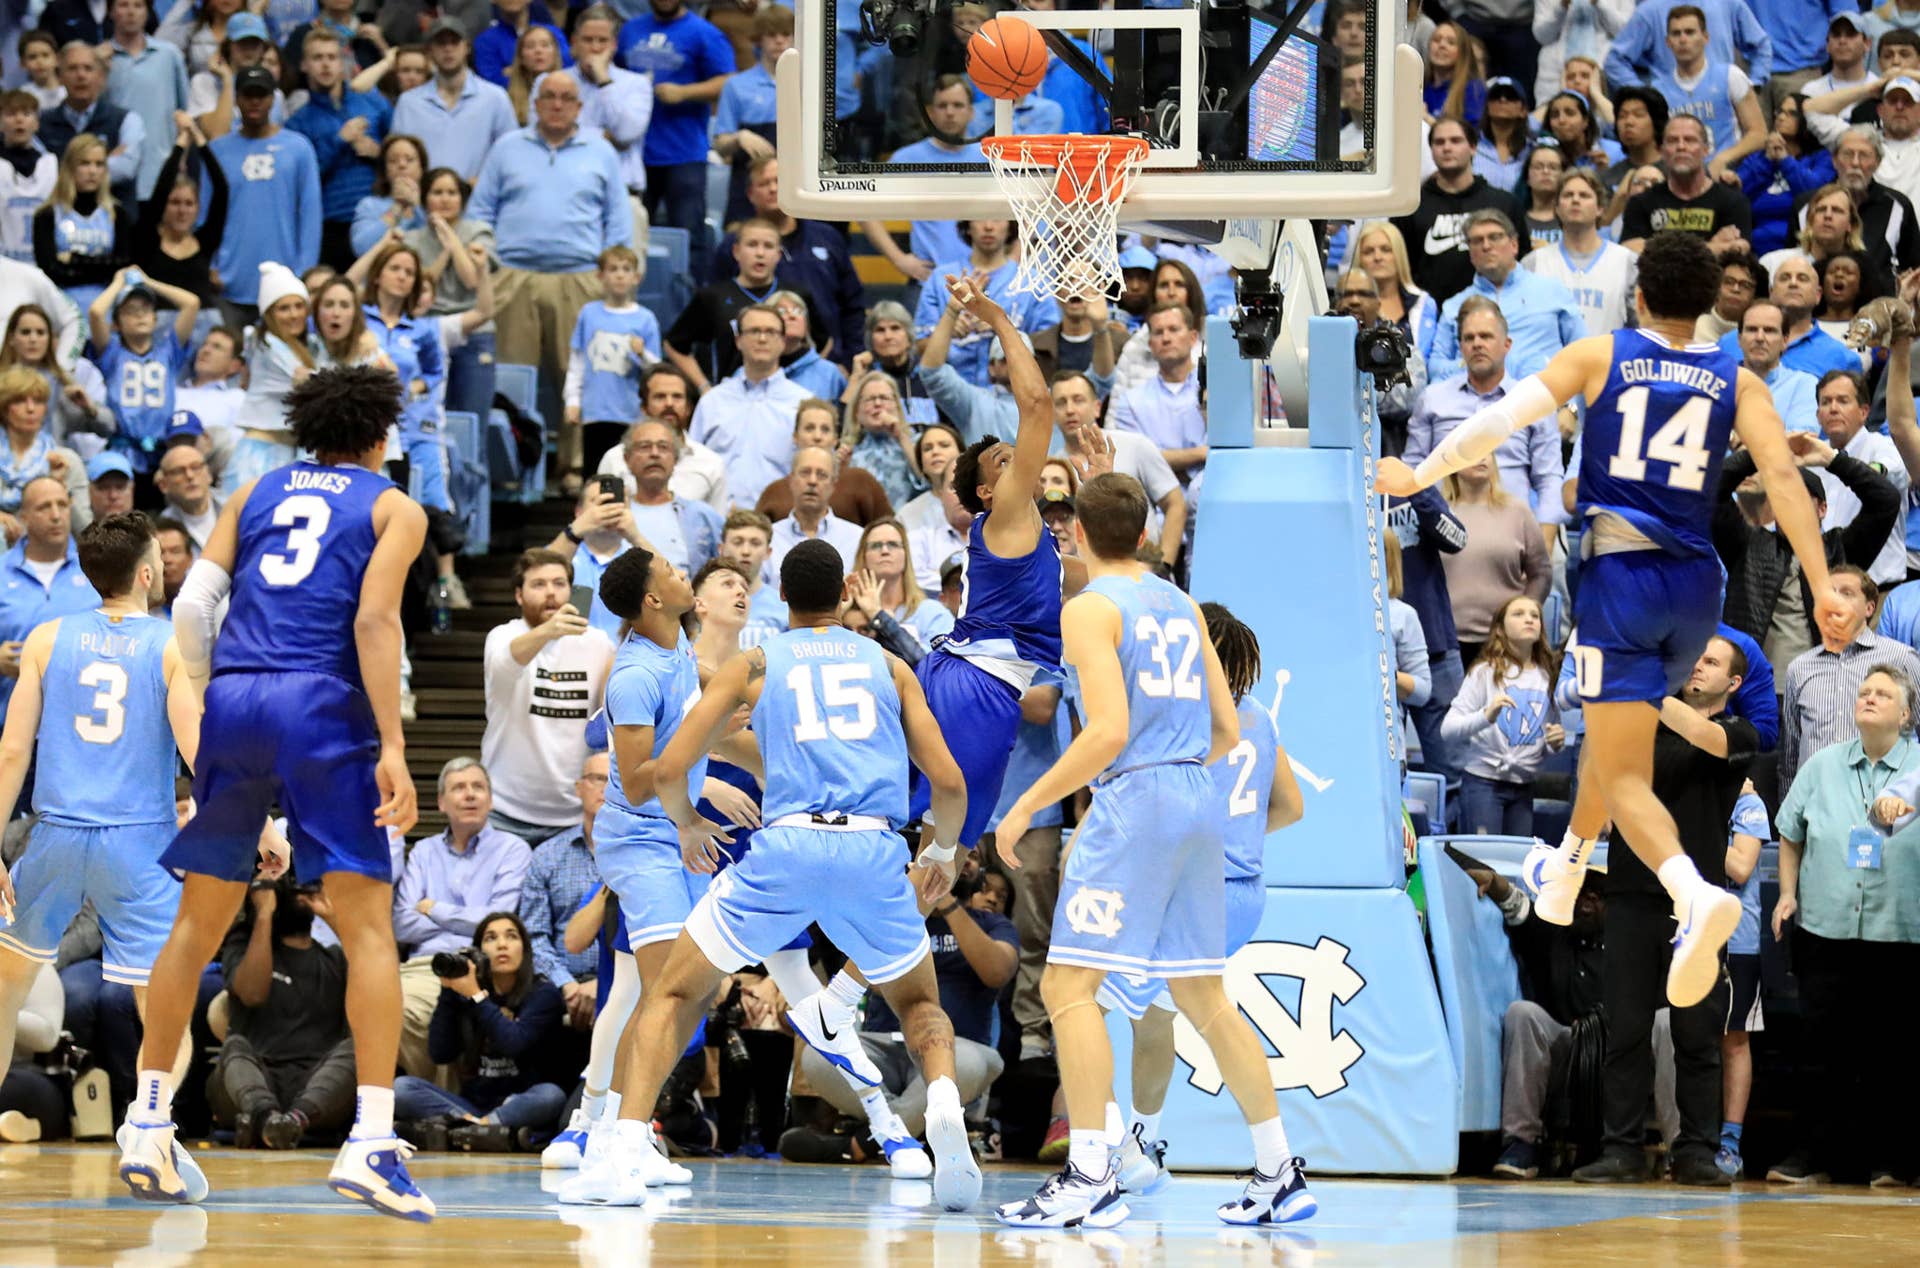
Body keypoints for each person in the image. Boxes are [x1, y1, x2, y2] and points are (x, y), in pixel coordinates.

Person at [1374, 230, 1845, 1012]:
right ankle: (1565, 865)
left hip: (1622, 576)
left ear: (1640, 296)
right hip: (1697, 589)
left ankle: (1691, 892)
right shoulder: (1740, 381)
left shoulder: (1601, 354)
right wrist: (1823, 583)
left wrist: (1417, 472)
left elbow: (1499, 422)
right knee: (1613, 728)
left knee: (1623, 768)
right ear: (1711, 308)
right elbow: (1786, 482)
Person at [560, 537, 982, 1208]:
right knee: (919, 1007)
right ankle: (944, 1108)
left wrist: (688, 822)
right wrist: (938, 854)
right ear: (845, 593)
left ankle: (622, 1146)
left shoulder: (756, 662)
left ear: (779, 597)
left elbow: (669, 771)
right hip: (872, 850)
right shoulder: (888, 665)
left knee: (670, 994)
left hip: (785, 849)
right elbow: (951, 783)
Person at [114, 364, 432, 1220]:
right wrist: (394, 744)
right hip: (320, 703)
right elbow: (374, 621)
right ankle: (372, 1141)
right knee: (368, 927)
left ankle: (148, 1120)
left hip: (234, 695)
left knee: (196, 922)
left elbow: (193, 606)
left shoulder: (255, 490)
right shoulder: (393, 506)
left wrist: (216, 690)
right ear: (379, 438)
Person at [990, 474, 1313, 1227]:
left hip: (1138, 798)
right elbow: (1226, 731)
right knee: (1204, 997)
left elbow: (1105, 731)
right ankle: (1278, 1170)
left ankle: (1089, 1177)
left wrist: (1028, 805)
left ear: (1075, 535)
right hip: (1200, 798)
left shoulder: (1088, 608)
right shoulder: (1182, 603)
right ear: (1144, 534)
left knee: (1068, 988)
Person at [1086, 601, 1304, 1193]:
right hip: (1243, 898)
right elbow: (1291, 806)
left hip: (1186, 897)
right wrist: (1234, 838)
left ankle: (1110, 1156)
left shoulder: (1177, 717)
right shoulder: (1259, 717)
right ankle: (1146, 1141)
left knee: (1078, 1004)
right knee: (1158, 1015)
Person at [0, 514, 196, 1113]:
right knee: (161, 1003)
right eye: (158, 558)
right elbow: (201, 752)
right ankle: (150, 1126)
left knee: (4, 993)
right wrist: (258, 824)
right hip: (139, 843)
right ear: (145, 573)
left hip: (57, 835)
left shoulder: (46, 639)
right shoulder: (171, 643)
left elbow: (11, 752)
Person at [1573, 636, 1755, 1186]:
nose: (1698, 666)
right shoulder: (1639, 727)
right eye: (1695, 657)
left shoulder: (1739, 734)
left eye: (1712, 661)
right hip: (1629, 893)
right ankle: (1621, 1149)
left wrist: (1642, 690)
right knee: (1625, 1029)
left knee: (1696, 1034)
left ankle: (1696, 1149)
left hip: (1697, 905)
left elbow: (1699, 737)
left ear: (1733, 683)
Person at [1769, 662, 1920, 1185]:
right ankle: (1811, 1156)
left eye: (1882, 694)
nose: (1869, 698)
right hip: (1825, 927)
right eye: (1864, 691)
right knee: (1820, 1049)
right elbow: (1790, 832)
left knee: (1895, 1052)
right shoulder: (1822, 764)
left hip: (1901, 931)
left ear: (1906, 714)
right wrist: (1787, 894)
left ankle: (1894, 1161)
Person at [470, 70, 631, 493]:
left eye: (566, 98)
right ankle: (511, 468)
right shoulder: (507, 148)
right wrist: (486, 260)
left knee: (576, 379)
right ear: (535, 103)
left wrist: (610, 273)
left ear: (579, 106)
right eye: (549, 97)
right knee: (510, 376)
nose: (557, 105)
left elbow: (618, 219)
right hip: (514, 276)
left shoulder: (600, 152)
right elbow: (480, 211)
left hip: (580, 278)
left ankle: (573, 467)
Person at [392, 910, 567, 1150]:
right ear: (480, 952)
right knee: (401, 1088)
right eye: (491, 938)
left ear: (524, 949)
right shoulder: (465, 993)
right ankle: (478, 1130)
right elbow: (440, 1053)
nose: (502, 944)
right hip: (470, 1107)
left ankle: (462, 1130)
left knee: (551, 1095)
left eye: (511, 936)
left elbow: (513, 1043)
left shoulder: (543, 994)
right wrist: (448, 991)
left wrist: (477, 997)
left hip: (520, 1104)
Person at [210, 874, 355, 1150]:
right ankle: (269, 1118)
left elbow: (377, 989)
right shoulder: (241, 947)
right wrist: (264, 915)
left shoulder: (334, 958)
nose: (297, 894)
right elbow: (253, 993)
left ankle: (291, 1122)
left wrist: (335, 918)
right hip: (252, 1084)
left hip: (319, 1091)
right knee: (234, 1046)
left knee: (358, 1048)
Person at [483, 548, 616, 846]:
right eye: (538, 584)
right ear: (519, 595)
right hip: (505, 810)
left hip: (575, 814)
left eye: (559, 583)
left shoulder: (597, 643)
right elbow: (504, 663)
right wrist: (548, 631)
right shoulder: (502, 636)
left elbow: (607, 718)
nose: (551, 593)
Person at [1412, 296, 1569, 528]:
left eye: (1485, 336)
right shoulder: (1432, 399)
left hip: (1514, 533)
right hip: (1442, 532)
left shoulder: (1532, 403)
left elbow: (1549, 479)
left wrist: (1544, 539)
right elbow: (1412, 470)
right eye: (1469, 338)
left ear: (1507, 344)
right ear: (1461, 348)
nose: (1477, 344)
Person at [1444, 595, 1566, 836]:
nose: (1529, 619)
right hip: (1482, 784)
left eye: (1535, 615)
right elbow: (1448, 729)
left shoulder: (1548, 677)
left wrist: (1555, 743)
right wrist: (1485, 716)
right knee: (1482, 858)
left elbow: (1548, 735)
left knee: (1516, 857)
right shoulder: (1484, 672)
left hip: (1524, 786)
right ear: (1500, 628)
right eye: (1518, 614)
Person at [208, 66, 321, 325]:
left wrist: (304, 270)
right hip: (228, 281)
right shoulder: (217, 151)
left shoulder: (298, 148)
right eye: (248, 95)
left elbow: (310, 213)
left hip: (284, 285)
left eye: (262, 95)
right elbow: (205, 212)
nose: (255, 102)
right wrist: (209, 265)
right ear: (236, 99)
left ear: (273, 99)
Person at [1391, 118, 1531, 305]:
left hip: (1498, 309)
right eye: (1439, 142)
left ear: (1473, 148)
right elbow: (1401, 269)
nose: (1447, 148)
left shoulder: (1504, 204)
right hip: (1429, 312)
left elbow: (1522, 261)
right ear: (1431, 151)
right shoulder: (1410, 207)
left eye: (1455, 141)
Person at [285, 28, 390, 272]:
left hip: (378, 217)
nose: (325, 65)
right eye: (317, 58)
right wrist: (339, 141)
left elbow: (402, 151)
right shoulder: (298, 123)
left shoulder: (372, 102)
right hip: (331, 224)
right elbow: (301, 180)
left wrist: (379, 153)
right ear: (304, 65)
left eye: (332, 57)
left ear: (342, 64)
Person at [685, 303, 809, 507]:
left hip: (780, 518)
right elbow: (692, 464)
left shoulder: (803, 404)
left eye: (771, 332)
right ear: (738, 340)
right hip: (719, 516)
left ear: (782, 341)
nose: (762, 338)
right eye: (754, 331)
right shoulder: (712, 402)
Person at [519, 750, 609, 1030]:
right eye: (597, 779)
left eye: (615, 780)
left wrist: (606, 982)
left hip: (625, 983)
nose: (606, 788)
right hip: (558, 987)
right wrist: (566, 985)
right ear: (579, 788)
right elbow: (533, 935)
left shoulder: (643, 855)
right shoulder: (547, 856)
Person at [0, 476, 100, 719]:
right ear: (24, 517)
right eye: (44, 507)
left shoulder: (97, 571)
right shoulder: (1, 572)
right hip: (12, 724)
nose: (56, 515)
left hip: (84, 724)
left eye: (62, 505)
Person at [87, 267, 199, 483]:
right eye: (130, 311)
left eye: (146, 309)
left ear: (155, 319)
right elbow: (96, 312)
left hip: (162, 450)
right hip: (123, 450)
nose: (140, 315)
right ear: (116, 324)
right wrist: (118, 282)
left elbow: (191, 303)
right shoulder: (112, 354)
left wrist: (148, 281)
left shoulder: (168, 352)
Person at [565, 245, 660, 475]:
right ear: (600, 276)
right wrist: (572, 401)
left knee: (627, 474)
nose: (619, 275)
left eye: (626, 269)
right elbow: (577, 363)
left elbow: (656, 370)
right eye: (613, 269)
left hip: (630, 413)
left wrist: (642, 354)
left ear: (636, 277)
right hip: (595, 412)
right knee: (594, 475)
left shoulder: (645, 319)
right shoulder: (589, 313)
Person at [388, 20, 516, 185]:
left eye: (454, 42)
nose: (448, 49)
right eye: (441, 43)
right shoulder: (409, 103)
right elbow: (398, 157)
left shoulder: (495, 98)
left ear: (467, 48)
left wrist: (485, 183)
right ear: (430, 51)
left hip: (478, 197)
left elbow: (510, 154)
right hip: (423, 198)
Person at [1651, 5, 1767, 178]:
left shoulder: (1731, 76)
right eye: (1676, 34)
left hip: (1727, 175)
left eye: (1690, 32)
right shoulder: (1657, 90)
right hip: (1678, 177)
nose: (1683, 39)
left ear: (1705, 37)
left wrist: (1723, 159)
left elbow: (1758, 134)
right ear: (1668, 42)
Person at [1523, 170, 1640, 337]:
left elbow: (1640, 327)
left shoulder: (1627, 262)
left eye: (1584, 195)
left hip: (1607, 353)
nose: (1575, 200)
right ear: (1557, 208)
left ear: (1600, 208)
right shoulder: (1533, 263)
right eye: (1568, 195)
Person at [1621, 115, 1754, 254]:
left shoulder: (1733, 201)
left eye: (1690, 140)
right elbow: (1630, 250)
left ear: (1706, 149)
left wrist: (1656, 251)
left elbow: (1739, 249)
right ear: (1662, 151)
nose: (1681, 146)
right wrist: (1711, 247)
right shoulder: (1641, 202)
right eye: (1672, 141)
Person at [134, 116, 228, 310]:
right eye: (175, 203)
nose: (182, 210)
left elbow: (222, 190)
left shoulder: (206, 241)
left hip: (203, 321)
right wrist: (180, 144)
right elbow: (161, 190)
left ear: (197, 208)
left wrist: (199, 140)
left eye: (189, 204)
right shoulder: (147, 239)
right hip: (158, 322)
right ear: (164, 206)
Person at [33, 133, 132, 316]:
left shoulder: (118, 214)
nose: (92, 171)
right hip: (61, 311)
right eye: (85, 163)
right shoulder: (47, 215)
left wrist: (74, 260)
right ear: (70, 167)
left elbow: (122, 267)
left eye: (99, 164)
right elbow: (52, 271)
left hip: (107, 312)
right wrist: (103, 265)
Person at [1734, 301, 1819, 433]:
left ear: (1785, 341)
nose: (1759, 338)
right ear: (1739, 339)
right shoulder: (1720, 382)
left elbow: (1800, 440)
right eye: (1752, 329)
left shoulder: (1804, 384)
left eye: (1769, 331)